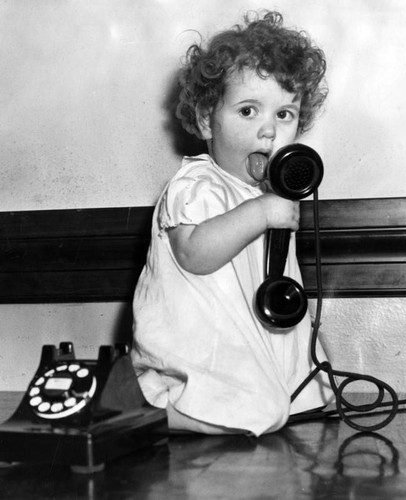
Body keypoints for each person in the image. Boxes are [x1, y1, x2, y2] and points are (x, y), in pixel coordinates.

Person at [131, 10, 333, 436]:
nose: (269, 132)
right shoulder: (196, 184)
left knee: (307, 393)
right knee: (254, 406)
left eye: (284, 114)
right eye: (247, 111)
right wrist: (260, 214)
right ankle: (161, 413)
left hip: (250, 336)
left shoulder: (270, 195)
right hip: (202, 342)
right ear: (207, 119)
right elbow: (195, 254)